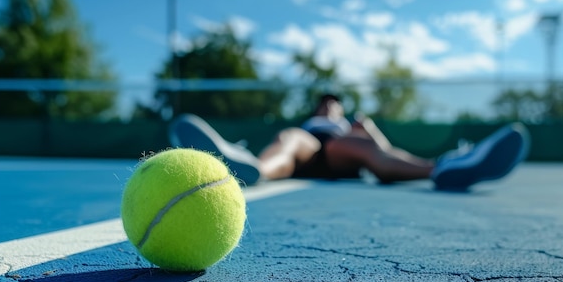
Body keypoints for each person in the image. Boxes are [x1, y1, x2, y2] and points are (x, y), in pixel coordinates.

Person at [168, 94, 530, 191]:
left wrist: (367, 129)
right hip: (308, 150)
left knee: (366, 148)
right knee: (289, 138)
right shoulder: (310, 125)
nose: (329, 104)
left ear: (339, 108)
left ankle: (448, 166)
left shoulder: (347, 125)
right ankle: (249, 166)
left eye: (333, 103)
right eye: (324, 102)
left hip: (342, 154)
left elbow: (381, 150)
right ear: (317, 107)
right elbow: (300, 140)